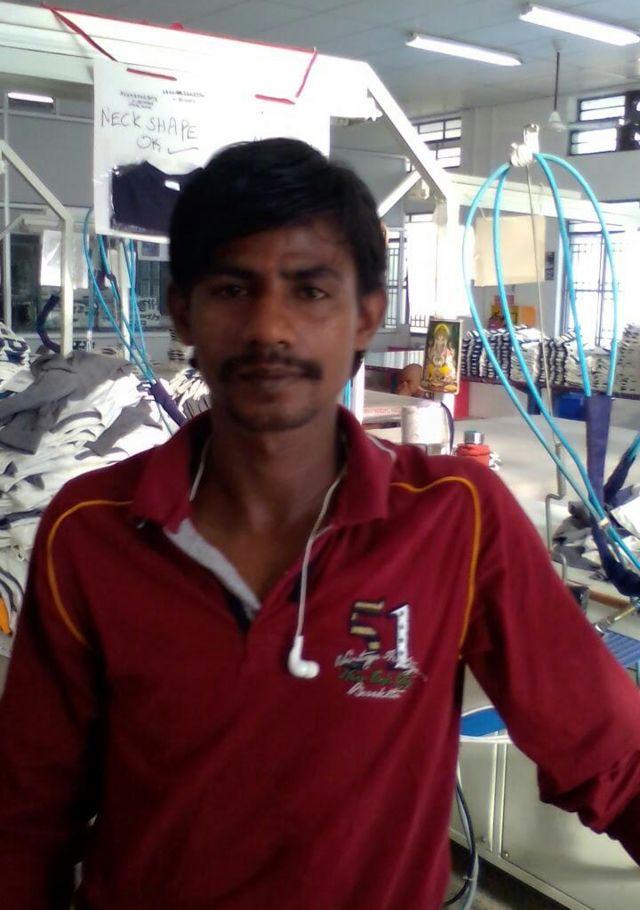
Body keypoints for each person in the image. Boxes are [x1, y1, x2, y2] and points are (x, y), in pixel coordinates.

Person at [0, 137, 638, 910]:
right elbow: (25, 816)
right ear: (183, 312)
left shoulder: (455, 519)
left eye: (310, 290)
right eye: (233, 288)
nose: (269, 328)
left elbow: (613, 753)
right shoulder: (91, 532)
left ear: (367, 316)